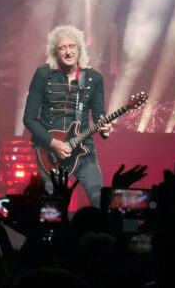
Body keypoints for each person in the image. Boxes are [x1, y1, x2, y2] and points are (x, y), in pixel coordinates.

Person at [22, 24, 112, 208]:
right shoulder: (43, 74)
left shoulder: (94, 78)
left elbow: (99, 114)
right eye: (62, 48)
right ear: (55, 52)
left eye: (72, 46)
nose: (68, 52)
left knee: (100, 202)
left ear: (79, 49)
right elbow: (29, 118)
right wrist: (52, 142)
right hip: (50, 152)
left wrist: (105, 129)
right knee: (51, 209)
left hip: (83, 149)